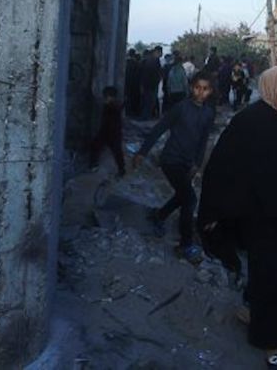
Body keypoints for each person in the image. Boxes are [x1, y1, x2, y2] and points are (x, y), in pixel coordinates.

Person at [198, 67, 277, 369]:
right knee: (273, 278)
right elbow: (222, 165)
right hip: (261, 216)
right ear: (271, 90)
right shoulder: (249, 121)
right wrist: (214, 209)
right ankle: (273, 346)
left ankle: (255, 312)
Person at [133, 73, 216, 262]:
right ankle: (185, 245)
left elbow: (203, 140)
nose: (200, 92)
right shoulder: (181, 108)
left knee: (182, 195)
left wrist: (197, 163)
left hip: (188, 162)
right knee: (189, 199)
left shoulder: (208, 113)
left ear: (210, 91)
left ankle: (158, 215)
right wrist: (142, 152)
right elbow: (159, 128)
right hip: (170, 160)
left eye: (205, 89)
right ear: (191, 87)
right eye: (197, 87)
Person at [89, 85, 126, 176]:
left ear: (110, 96)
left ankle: (121, 169)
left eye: (106, 96)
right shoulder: (111, 105)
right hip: (107, 131)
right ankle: (93, 165)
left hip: (112, 132)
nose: (104, 98)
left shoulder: (113, 106)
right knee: (96, 146)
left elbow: (112, 118)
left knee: (116, 151)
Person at [139, 46, 163, 119]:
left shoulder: (154, 60)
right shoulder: (152, 60)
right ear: (157, 52)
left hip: (152, 84)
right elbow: (146, 74)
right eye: (160, 52)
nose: (161, 54)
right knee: (149, 101)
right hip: (150, 85)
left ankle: (147, 116)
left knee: (150, 101)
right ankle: (145, 116)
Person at [124, 49, 142, 118]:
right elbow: (139, 75)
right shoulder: (137, 64)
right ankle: (133, 113)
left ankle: (128, 112)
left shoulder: (126, 62)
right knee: (134, 99)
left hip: (127, 83)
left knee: (128, 98)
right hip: (135, 85)